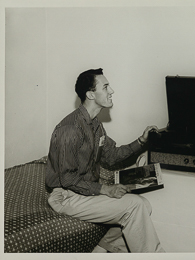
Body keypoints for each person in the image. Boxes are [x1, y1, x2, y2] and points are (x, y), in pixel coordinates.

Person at [45, 68, 165, 253]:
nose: (112, 91)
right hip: (66, 196)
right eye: (106, 87)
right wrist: (105, 189)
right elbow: (68, 180)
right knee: (135, 206)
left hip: (82, 193)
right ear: (91, 94)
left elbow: (112, 155)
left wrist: (141, 141)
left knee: (144, 204)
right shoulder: (70, 129)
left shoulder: (95, 125)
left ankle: (101, 250)